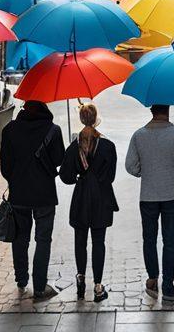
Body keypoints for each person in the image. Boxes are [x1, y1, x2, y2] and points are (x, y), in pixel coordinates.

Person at [125, 104, 174, 303]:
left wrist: (144, 172)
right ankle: (169, 286)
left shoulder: (139, 136)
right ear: (168, 110)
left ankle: (152, 278)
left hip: (148, 195)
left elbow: (131, 165)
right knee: (169, 240)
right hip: (172, 193)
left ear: (152, 111)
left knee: (149, 238)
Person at [0, 99, 65, 300]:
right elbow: (59, 160)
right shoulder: (53, 130)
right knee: (43, 239)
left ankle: (21, 280)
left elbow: (5, 167)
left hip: (19, 194)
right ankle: (39, 287)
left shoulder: (9, 130)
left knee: (20, 238)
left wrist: (16, 179)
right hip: (44, 194)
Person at [59, 103, 118, 303]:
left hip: (81, 197)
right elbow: (110, 177)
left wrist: (78, 176)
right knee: (98, 242)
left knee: (80, 240)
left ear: (81, 119)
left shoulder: (74, 146)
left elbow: (65, 176)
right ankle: (98, 286)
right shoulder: (108, 146)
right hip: (101, 198)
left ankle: (80, 279)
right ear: (95, 119)